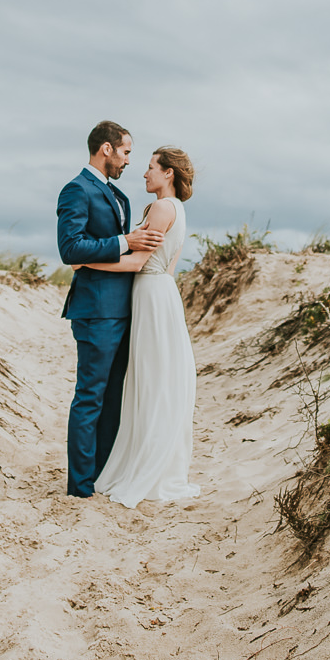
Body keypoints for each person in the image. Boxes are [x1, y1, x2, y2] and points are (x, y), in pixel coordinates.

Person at [82, 146, 200, 508]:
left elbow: (136, 263)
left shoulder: (162, 207)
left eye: (150, 168)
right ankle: (156, 462)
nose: (144, 173)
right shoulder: (178, 210)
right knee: (157, 379)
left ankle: (146, 467)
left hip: (151, 293)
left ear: (168, 173)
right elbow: (168, 267)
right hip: (162, 293)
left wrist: (86, 263)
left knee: (150, 380)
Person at [56, 121, 163, 498]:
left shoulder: (118, 195)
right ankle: (80, 486)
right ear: (106, 149)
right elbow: (70, 249)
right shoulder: (76, 190)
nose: (128, 161)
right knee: (90, 396)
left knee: (115, 397)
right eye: (126, 152)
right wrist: (125, 240)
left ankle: (102, 477)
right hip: (95, 309)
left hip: (125, 309)